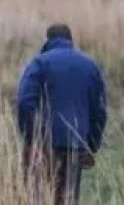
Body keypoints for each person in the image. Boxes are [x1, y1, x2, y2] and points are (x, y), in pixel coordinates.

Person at [17, 23, 107, 205]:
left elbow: (25, 103)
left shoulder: (40, 62)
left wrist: (32, 139)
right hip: (76, 144)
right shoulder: (91, 66)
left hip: (44, 145)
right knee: (67, 198)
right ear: (70, 41)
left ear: (48, 40)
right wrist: (91, 145)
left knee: (37, 196)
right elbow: (99, 111)